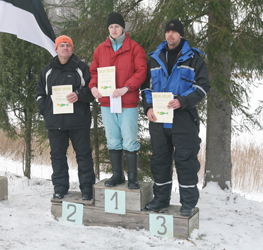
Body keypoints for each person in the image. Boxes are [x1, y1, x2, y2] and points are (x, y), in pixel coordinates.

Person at [141, 19, 211, 216]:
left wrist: (182, 100)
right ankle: (161, 199)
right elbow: (146, 87)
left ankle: (188, 203)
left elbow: (203, 87)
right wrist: (148, 108)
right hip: (159, 119)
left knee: (186, 160)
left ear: (181, 35)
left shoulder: (194, 58)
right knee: (160, 159)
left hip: (183, 118)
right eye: (168, 32)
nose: (170, 35)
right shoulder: (155, 57)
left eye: (174, 32)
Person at [89, 12, 147, 189]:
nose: (114, 30)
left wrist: (126, 88)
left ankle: (133, 178)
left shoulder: (135, 48)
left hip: (127, 101)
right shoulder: (100, 49)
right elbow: (93, 72)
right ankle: (117, 175)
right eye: (111, 27)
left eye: (117, 26)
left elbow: (142, 72)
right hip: (107, 103)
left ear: (123, 28)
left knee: (129, 139)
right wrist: (93, 87)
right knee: (112, 139)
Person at [36, 35, 95, 200]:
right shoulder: (47, 71)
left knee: (83, 156)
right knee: (57, 156)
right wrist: (45, 110)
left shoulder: (81, 68)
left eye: (68, 46)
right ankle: (60, 188)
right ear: (56, 49)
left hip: (79, 122)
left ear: (72, 49)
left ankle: (87, 189)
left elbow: (92, 91)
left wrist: (78, 95)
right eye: (62, 45)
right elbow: (40, 93)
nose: (65, 48)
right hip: (55, 122)